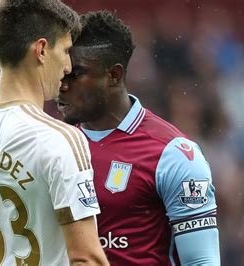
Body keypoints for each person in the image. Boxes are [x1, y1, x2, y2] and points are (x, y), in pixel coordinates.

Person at [0, 1, 109, 265]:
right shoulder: (60, 140)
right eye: (66, 51)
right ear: (42, 50)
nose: (69, 67)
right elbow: (87, 258)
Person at [57, 10, 220, 265]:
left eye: (75, 74)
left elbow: (202, 261)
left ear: (113, 75)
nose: (62, 85)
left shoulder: (174, 155)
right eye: (60, 73)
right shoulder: (54, 146)